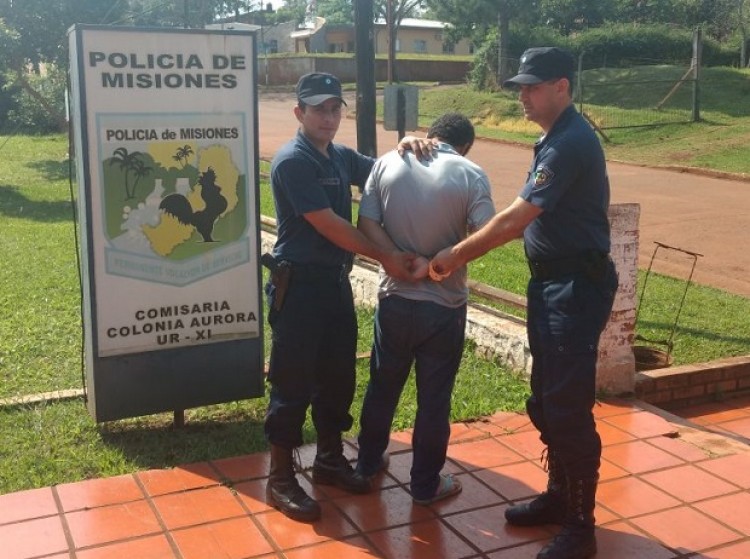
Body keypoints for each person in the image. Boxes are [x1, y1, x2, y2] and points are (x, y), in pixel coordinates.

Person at [429, 48, 618, 559]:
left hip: (574, 289)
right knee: (546, 399)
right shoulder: (554, 137)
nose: (523, 96)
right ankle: (559, 495)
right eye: (521, 87)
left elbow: (517, 218)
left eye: (532, 87)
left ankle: (580, 525)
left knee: (567, 407)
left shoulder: (570, 142)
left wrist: (455, 254)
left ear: (562, 86)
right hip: (553, 286)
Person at [263, 72, 420, 523]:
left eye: (335, 109)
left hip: (333, 285)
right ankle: (280, 478)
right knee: (293, 382)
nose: (328, 117)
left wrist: (406, 147)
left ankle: (329, 460)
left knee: (336, 378)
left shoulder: (338, 156)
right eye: (319, 109)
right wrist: (386, 256)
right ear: (300, 113)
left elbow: (382, 170)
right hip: (299, 289)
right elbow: (331, 226)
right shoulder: (293, 161)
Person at [355, 113, 496, 505]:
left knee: (382, 386)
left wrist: (397, 259)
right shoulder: (471, 173)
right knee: (434, 399)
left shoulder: (388, 162)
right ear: (464, 146)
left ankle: (367, 464)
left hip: (394, 300)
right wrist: (440, 263)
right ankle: (425, 484)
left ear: (430, 135)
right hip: (444, 306)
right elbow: (487, 233)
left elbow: (366, 222)